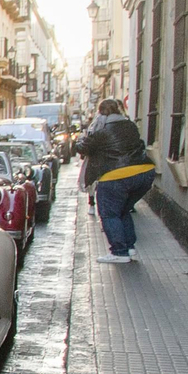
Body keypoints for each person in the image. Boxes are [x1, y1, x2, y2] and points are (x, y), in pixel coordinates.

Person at [76, 98, 155, 264]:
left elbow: (83, 148)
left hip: (116, 176)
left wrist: (81, 139)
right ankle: (129, 247)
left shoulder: (101, 130)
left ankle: (119, 251)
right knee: (123, 210)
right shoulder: (130, 125)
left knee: (109, 213)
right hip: (144, 173)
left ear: (100, 112)